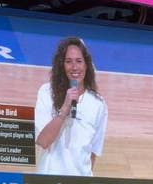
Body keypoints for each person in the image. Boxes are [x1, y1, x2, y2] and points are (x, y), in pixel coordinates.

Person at [35, 37, 108, 176]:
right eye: (68, 61)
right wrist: (64, 110)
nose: (74, 67)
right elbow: (43, 141)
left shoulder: (99, 104)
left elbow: (93, 153)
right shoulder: (46, 92)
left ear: (87, 65)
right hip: (47, 181)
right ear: (62, 65)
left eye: (79, 61)